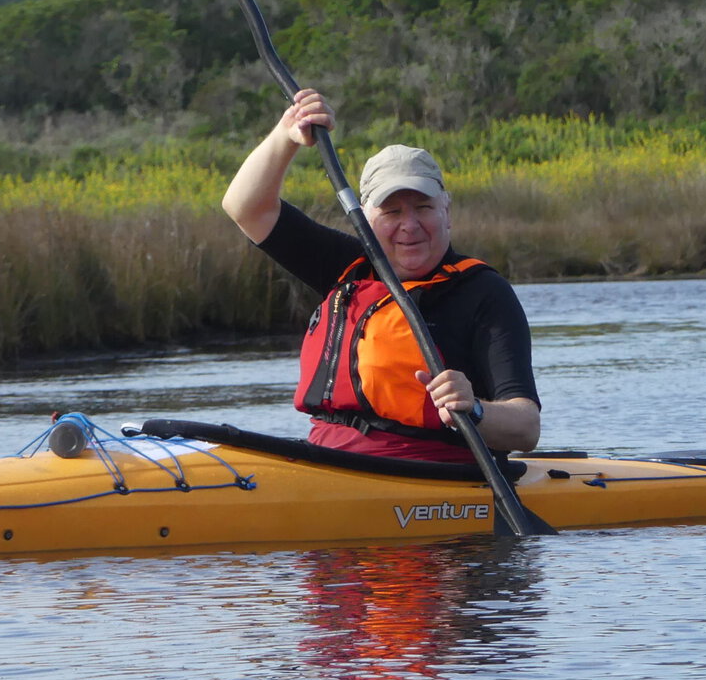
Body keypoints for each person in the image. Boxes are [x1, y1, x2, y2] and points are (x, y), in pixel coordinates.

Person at [223, 88, 541, 462]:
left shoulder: (484, 292)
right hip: (326, 461)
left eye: (423, 207)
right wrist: (286, 134)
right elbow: (245, 207)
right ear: (367, 220)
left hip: (426, 475)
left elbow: (526, 428)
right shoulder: (347, 265)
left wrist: (474, 409)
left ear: (446, 211)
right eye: (392, 212)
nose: (409, 225)